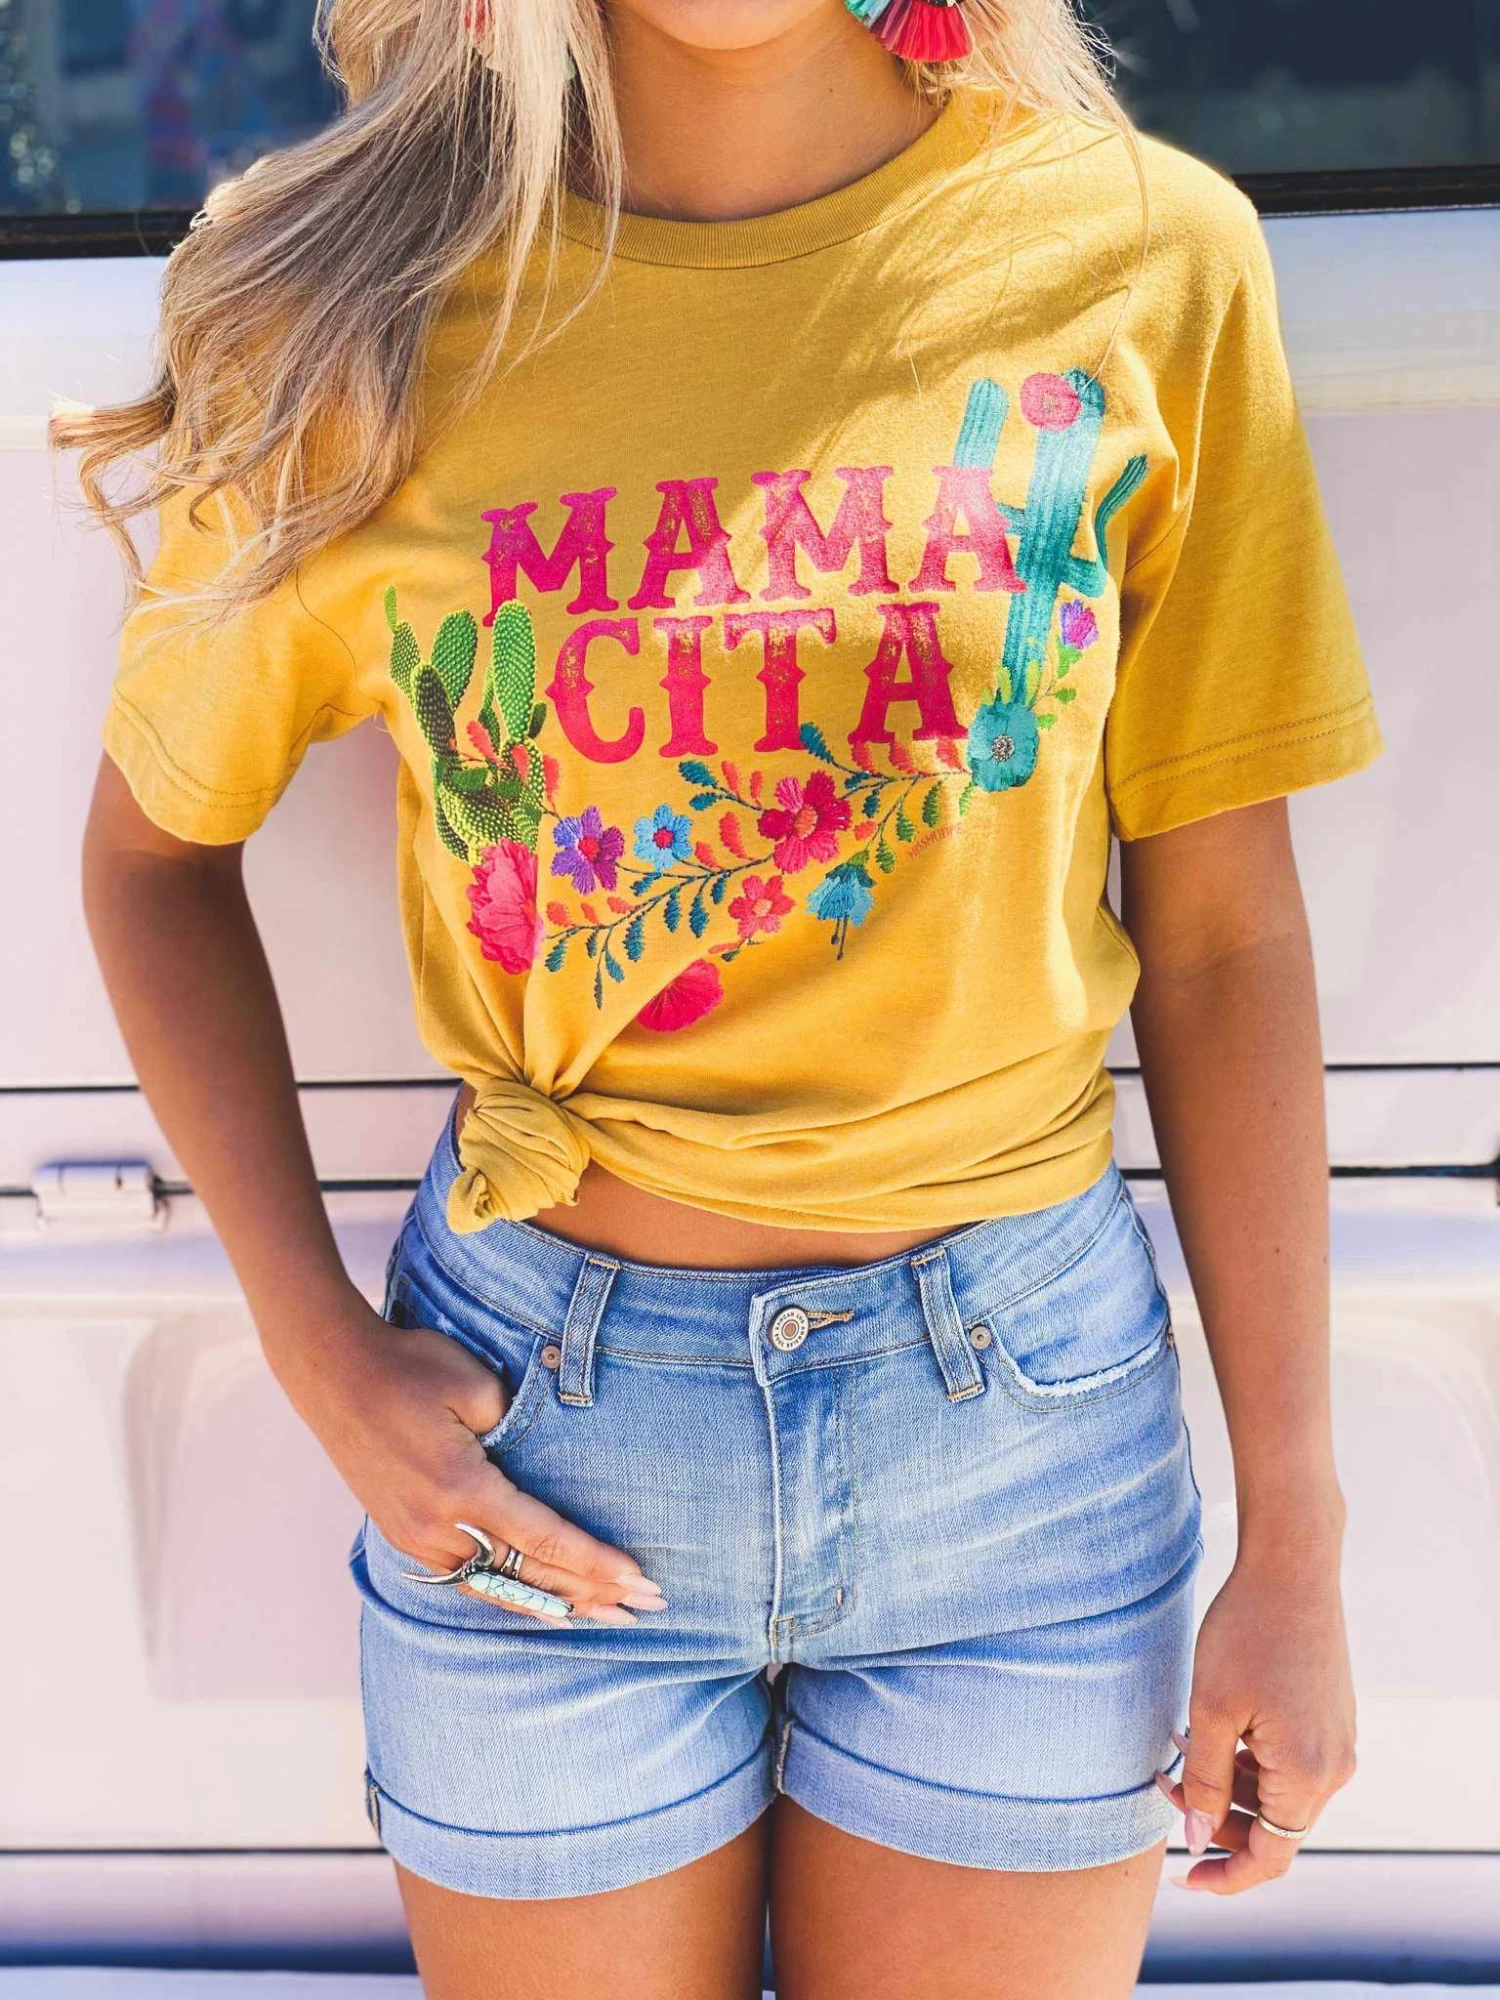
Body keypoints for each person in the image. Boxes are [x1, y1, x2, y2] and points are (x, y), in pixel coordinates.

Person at [58, 0, 1382, 1993]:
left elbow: (1224, 938)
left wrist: (1298, 1532)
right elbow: (151, 860)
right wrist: (318, 1354)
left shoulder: (1144, 253)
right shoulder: (349, 298)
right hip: (540, 1425)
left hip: (1024, 1440)